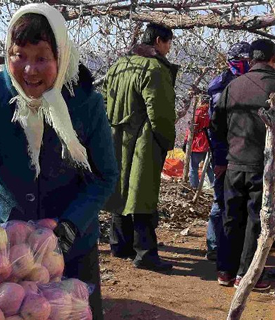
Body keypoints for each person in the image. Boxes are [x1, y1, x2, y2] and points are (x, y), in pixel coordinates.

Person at [0, 4, 118, 319]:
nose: (29, 70)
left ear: (60, 57)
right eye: (18, 55)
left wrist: (71, 226)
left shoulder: (85, 102)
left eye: (41, 58)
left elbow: (103, 176)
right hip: (6, 248)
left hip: (70, 245)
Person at [211, 39, 275, 289]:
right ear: (274, 59)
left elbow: (216, 126)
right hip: (266, 167)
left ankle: (225, 271)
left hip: (234, 164)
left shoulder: (232, 86)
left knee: (232, 217)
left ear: (251, 59)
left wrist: (224, 155)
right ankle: (246, 274)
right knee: (256, 220)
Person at [103, 23, 178, 272]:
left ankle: (119, 244)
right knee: (142, 194)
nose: (169, 49)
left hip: (116, 136)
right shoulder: (155, 68)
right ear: (159, 41)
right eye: (168, 43)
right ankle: (145, 252)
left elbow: (104, 100)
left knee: (122, 189)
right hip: (143, 139)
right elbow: (161, 111)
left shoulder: (119, 64)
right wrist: (166, 140)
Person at [205, 42, 251, 262]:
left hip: (242, 152)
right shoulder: (221, 86)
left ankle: (231, 245)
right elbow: (217, 128)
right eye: (242, 60)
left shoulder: (243, 82)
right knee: (220, 200)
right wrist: (221, 158)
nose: (245, 64)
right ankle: (215, 245)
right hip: (226, 152)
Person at [184, 99, 214, 189]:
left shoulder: (198, 112)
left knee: (193, 167)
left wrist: (186, 141)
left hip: (197, 143)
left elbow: (192, 129)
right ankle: (214, 183)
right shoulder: (211, 112)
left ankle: (194, 186)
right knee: (208, 166)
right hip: (207, 142)